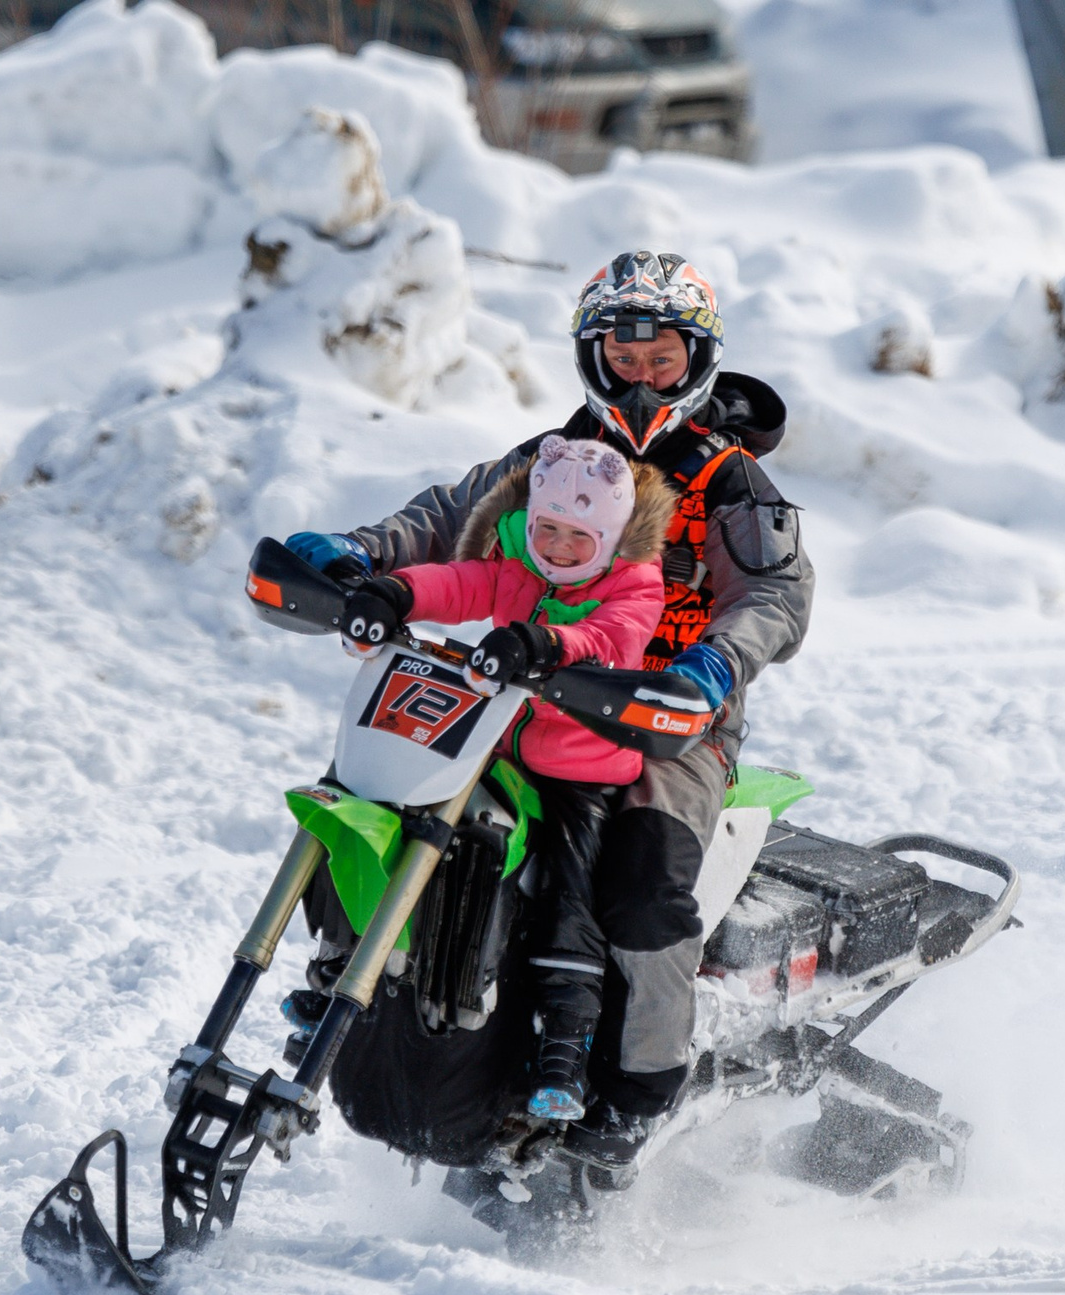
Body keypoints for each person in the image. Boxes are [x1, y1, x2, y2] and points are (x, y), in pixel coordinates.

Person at [286, 251, 813, 1164]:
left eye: (664, 362)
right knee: (386, 792)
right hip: (522, 697)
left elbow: (775, 593)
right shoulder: (554, 460)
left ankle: (639, 1087)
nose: (644, 382)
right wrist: (359, 554)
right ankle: (357, 975)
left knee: (644, 881)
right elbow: (452, 521)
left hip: (668, 721)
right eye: (625, 358)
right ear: (594, 359)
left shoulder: (729, 483)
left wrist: (719, 666)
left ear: (697, 363)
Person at [318, 435, 675, 1119]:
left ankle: (563, 1053)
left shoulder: (634, 579)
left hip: (582, 767)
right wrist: (396, 592)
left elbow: (614, 636)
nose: (559, 548)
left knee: (573, 895)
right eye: (546, 529)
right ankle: (341, 964)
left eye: (578, 536)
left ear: (610, 536)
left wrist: (544, 642)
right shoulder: (517, 559)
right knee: (386, 807)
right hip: (496, 747)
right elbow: (461, 584)